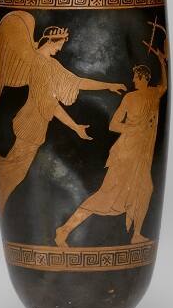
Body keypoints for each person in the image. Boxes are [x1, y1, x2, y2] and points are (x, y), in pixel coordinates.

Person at [0, 11, 126, 213]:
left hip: (37, 123)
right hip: (30, 123)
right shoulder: (38, 63)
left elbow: (76, 82)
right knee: (15, 169)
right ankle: (4, 203)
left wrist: (108, 86)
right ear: (50, 41)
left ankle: (4, 201)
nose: (61, 48)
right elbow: (50, 103)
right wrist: (75, 125)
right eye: (59, 44)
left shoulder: (51, 65)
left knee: (16, 168)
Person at [55, 42, 167, 246]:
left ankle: (136, 234)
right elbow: (114, 125)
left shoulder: (152, 94)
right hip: (125, 152)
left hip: (141, 154)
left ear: (143, 78)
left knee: (145, 190)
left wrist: (161, 60)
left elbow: (164, 87)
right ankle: (64, 230)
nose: (133, 80)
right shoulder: (130, 98)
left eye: (136, 77)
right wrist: (133, 128)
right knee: (105, 197)